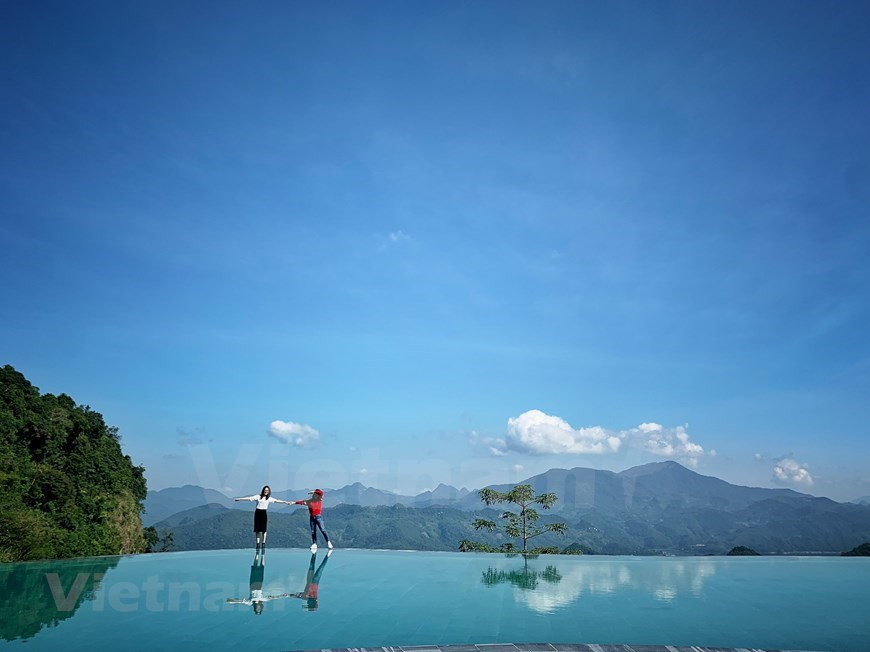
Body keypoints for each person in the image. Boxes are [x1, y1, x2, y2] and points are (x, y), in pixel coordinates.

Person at [226, 548, 290, 614]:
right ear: (261, 607)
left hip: (252, 585)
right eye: (259, 609)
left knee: (254, 569)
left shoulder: (250, 602)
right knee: (261, 570)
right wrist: (283, 595)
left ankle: (256, 554)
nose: (258, 608)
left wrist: (232, 601)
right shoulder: (263, 599)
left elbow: (241, 601)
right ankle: (263, 555)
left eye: (257, 609)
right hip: (259, 584)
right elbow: (273, 597)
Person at [234, 485, 292, 550]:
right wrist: (239, 499)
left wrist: (285, 502)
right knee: (257, 530)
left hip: (264, 513)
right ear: (263, 490)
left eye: (267, 490)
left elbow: (277, 500)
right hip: (258, 513)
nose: (266, 491)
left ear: (268, 491)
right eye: (265, 490)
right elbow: (249, 498)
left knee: (264, 529)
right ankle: (258, 544)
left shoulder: (269, 498)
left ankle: (263, 543)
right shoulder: (258, 497)